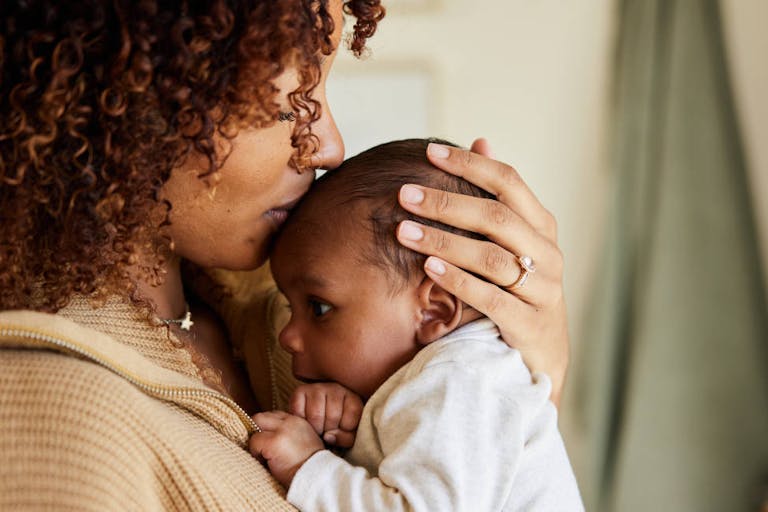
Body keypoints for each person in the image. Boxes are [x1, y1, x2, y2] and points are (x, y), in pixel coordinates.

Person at [0, 1, 571, 510]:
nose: (330, 146)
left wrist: (536, 373)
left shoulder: (311, 297)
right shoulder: (54, 425)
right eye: (287, 106)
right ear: (132, 103)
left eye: (321, 95)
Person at [250, 139, 584, 511]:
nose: (287, 336)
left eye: (319, 308)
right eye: (288, 306)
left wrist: (308, 467)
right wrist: (353, 434)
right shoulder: (448, 378)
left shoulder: (460, 380)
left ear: (435, 311)